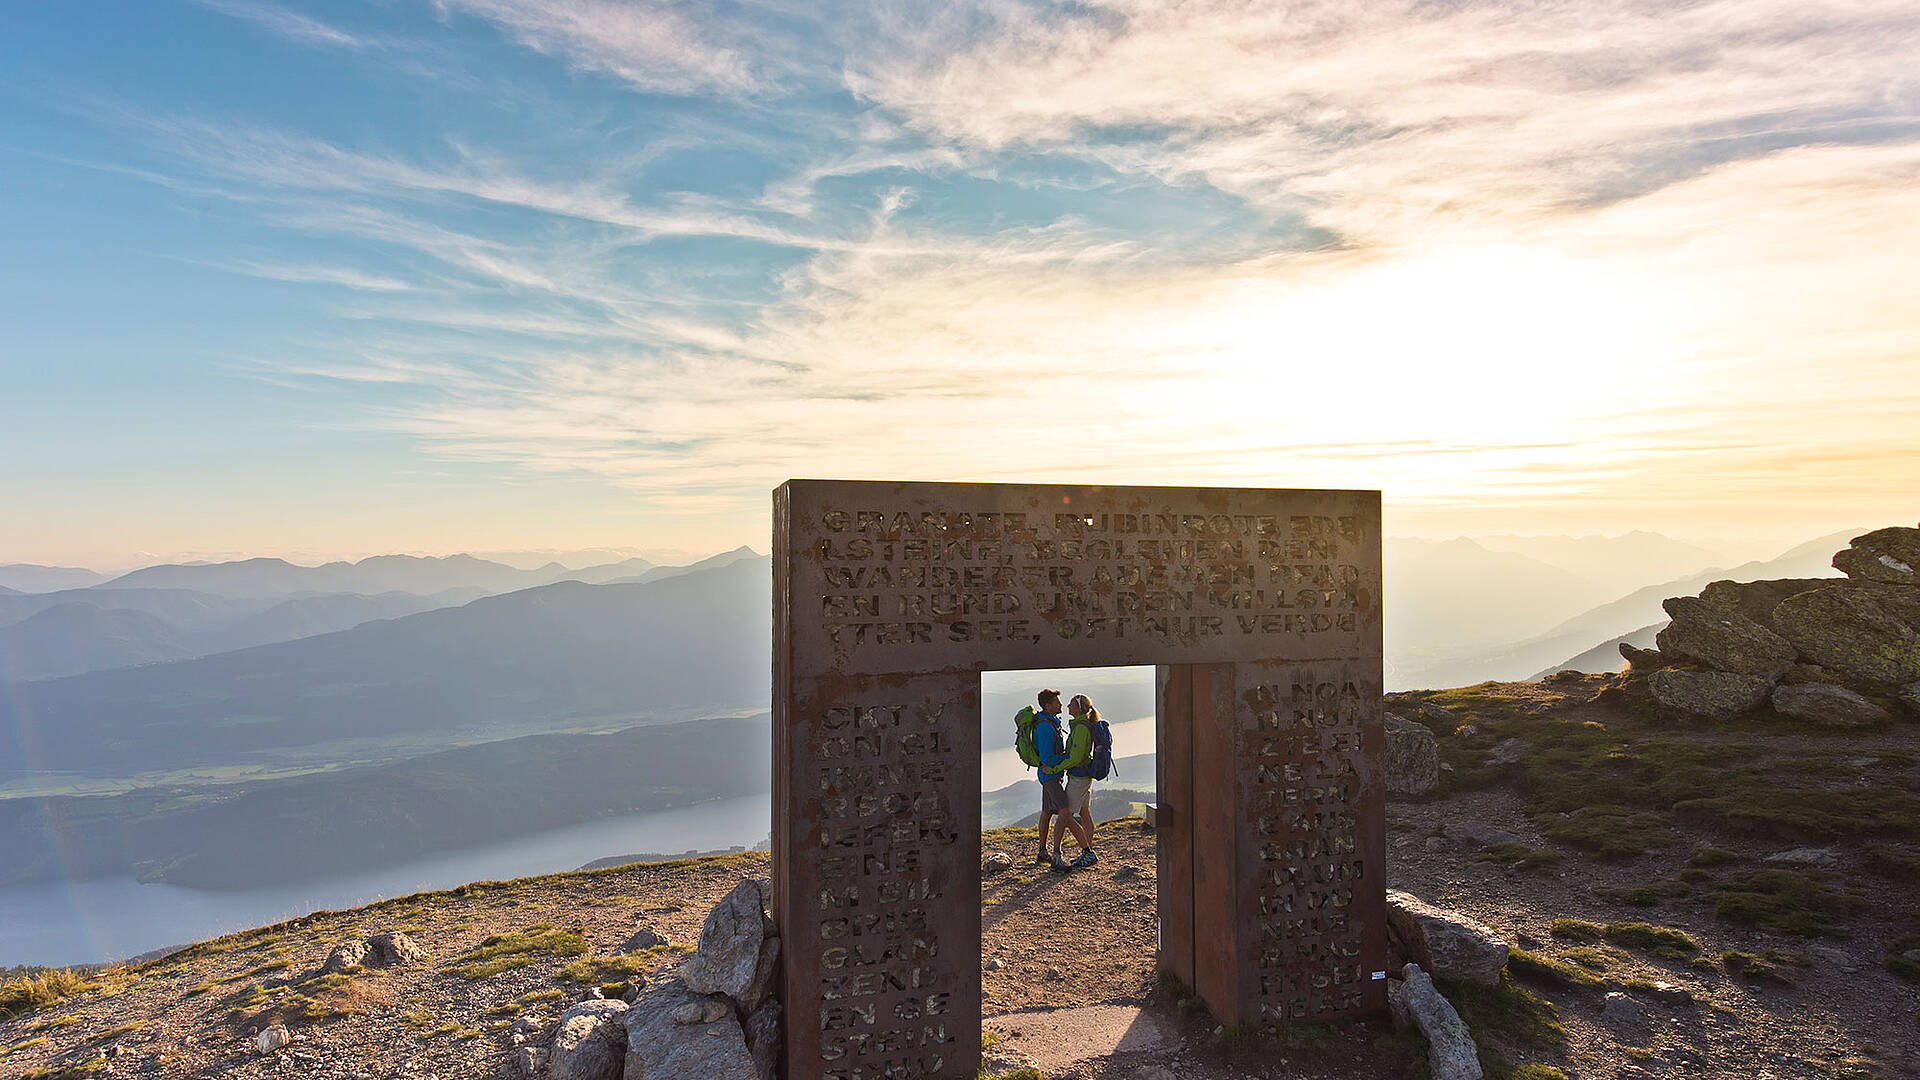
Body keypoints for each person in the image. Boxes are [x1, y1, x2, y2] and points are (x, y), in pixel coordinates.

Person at [1031, 688, 1094, 871]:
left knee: (1047, 812)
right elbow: (1047, 758)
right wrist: (1066, 759)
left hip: (1051, 775)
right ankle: (1057, 856)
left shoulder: (1052, 723)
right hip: (1050, 775)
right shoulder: (1045, 727)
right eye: (1057, 702)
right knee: (1065, 812)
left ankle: (1043, 851)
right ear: (1048, 706)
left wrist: (1064, 761)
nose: (1062, 705)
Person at [1063, 693, 1103, 864]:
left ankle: (1087, 853)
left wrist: (1056, 767)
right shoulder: (1082, 725)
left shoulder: (1080, 728)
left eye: (1071, 704)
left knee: (1066, 816)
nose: (1067, 707)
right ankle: (1088, 851)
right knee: (1085, 813)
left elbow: (1076, 757)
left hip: (1078, 778)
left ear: (1078, 709)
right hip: (1085, 776)